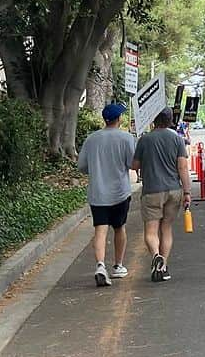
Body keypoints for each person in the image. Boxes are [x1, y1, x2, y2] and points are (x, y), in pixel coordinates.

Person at [77, 102, 136, 286]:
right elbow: (132, 164)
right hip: (120, 192)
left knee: (100, 230)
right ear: (118, 119)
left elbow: (82, 166)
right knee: (119, 228)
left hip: (98, 193)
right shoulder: (126, 138)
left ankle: (100, 265)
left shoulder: (91, 139)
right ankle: (118, 266)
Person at [132, 108, 193, 282]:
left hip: (151, 191)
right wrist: (187, 192)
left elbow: (135, 165)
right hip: (173, 190)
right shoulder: (177, 139)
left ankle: (155, 255)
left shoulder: (145, 139)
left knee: (151, 231)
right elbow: (182, 168)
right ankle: (163, 266)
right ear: (170, 120)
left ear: (153, 119)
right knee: (166, 228)